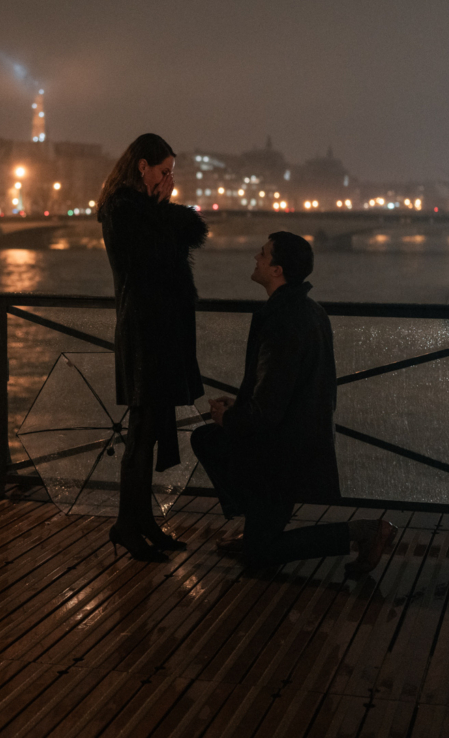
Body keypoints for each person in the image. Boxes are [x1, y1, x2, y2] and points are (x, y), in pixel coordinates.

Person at [191, 231, 394, 577]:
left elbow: (269, 409)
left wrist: (230, 418)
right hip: (302, 440)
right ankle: (258, 523)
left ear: (276, 270)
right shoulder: (309, 310)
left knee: (259, 553)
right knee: (209, 440)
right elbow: (284, 389)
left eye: (263, 254)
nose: (255, 256)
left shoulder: (282, 320)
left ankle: (362, 531)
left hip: (281, 453)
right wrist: (239, 405)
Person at [97, 133, 208, 561]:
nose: (169, 180)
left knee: (149, 429)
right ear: (142, 167)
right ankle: (127, 525)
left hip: (156, 329)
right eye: (164, 172)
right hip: (144, 330)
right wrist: (164, 208)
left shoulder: (138, 210)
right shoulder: (125, 209)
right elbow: (154, 258)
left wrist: (161, 209)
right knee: (141, 432)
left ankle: (141, 521)